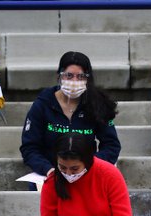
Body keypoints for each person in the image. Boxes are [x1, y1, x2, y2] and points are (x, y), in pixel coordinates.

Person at [20, 51, 121, 184]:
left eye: (80, 76)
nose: (74, 81)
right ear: (60, 76)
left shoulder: (98, 103)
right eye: (69, 75)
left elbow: (111, 145)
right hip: (50, 173)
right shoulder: (43, 104)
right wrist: (47, 169)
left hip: (87, 171)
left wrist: (88, 166)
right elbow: (29, 147)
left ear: (88, 79)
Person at [39, 133, 134, 216]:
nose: (68, 173)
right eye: (62, 167)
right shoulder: (52, 181)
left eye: (74, 169)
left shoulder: (109, 174)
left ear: (88, 161)